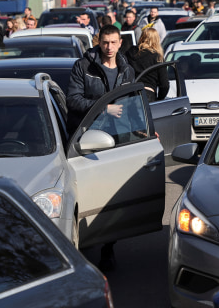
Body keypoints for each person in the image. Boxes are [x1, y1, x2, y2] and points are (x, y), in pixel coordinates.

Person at [67, 25, 135, 271]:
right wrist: (102, 107)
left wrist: (144, 131)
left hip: (119, 139)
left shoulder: (127, 68)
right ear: (99, 42)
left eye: (114, 43)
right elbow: (72, 100)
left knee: (114, 195)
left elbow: (132, 104)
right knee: (89, 193)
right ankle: (84, 243)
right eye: (105, 42)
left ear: (120, 43)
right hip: (87, 140)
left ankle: (108, 248)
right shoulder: (83, 67)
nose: (109, 47)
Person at [125, 27, 169, 103]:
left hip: (131, 93)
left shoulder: (130, 52)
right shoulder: (158, 57)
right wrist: (159, 100)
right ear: (157, 40)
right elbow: (164, 85)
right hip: (148, 94)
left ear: (141, 37)